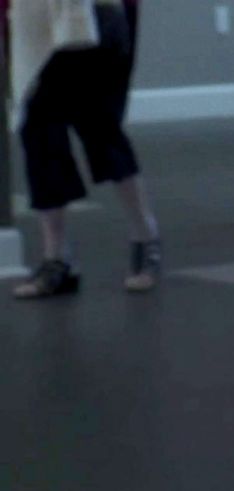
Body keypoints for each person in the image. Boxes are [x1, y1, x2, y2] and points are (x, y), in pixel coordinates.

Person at [10, 0, 160, 299]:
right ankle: (57, 257)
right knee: (40, 130)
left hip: (96, 17)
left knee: (99, 126)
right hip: (35, 19)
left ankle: (146, 236)